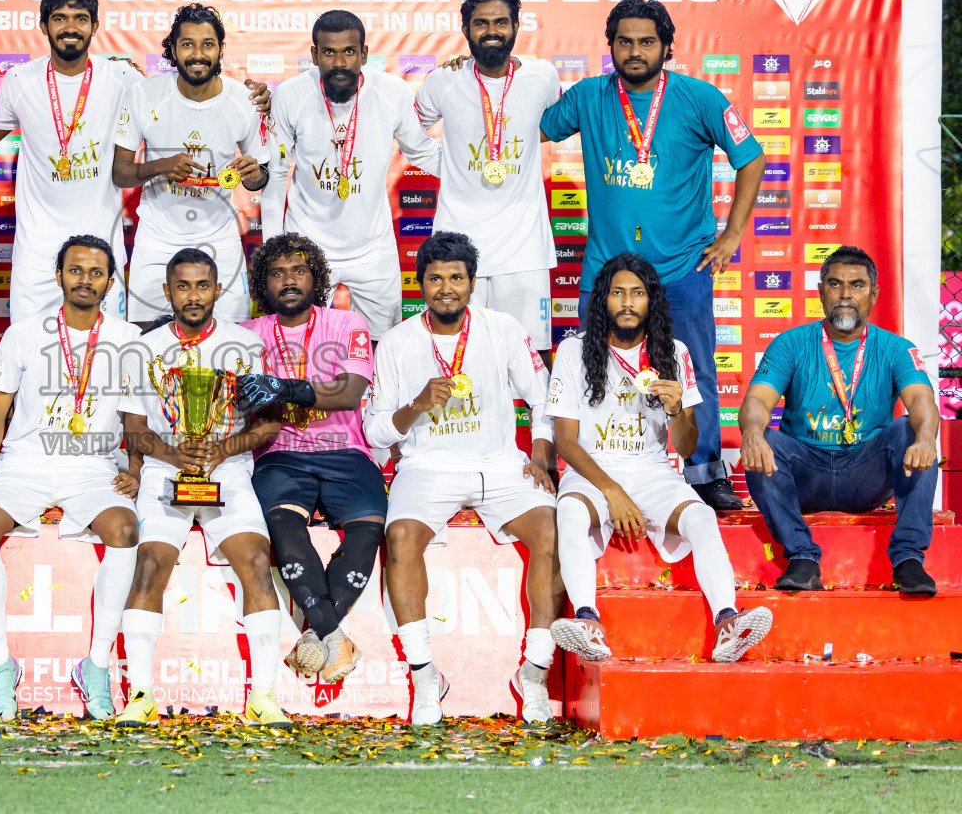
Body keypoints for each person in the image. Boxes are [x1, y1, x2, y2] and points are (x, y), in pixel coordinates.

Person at [540, 0, 767, 512]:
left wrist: (731, 235)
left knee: (694, 371)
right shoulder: (589, 97)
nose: (635, 51)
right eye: (625, 41)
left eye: (646, 41)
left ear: (667, 46)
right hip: (606, 273)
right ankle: (593, 473)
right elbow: (530, 128)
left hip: (681, 267)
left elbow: (751, 159)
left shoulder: (700, 98)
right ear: (611, 46)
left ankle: (705, 473)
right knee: (590, 371)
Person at [365, 232, 562, 725]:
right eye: (435, 279)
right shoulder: (397, 342)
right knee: (401, 537)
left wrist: (539, 452)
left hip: (499, 463)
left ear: (473, 283)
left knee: (552, 532)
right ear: (421, 285)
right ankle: (426, 674)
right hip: (426, 467)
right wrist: (415, 406)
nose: (446, 288)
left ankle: (534, 674)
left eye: (456, 278)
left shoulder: (502, 328)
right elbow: (373, 430)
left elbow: (544, 399)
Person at [546, 254, 772, 664]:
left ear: (652, 301)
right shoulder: (573, 351)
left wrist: (676, 410)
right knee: (572, 515)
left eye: (637, 294)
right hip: (593, 469)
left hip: (652, 470)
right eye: (618, 293)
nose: (628, 303)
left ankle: (727, 622)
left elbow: (686, 448)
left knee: (701, 517)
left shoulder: (674, 352)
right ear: (603, 300)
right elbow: (565, 440)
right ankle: (587, 622)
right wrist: (611, 490)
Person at [0, 235, 143, 721]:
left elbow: (134, 419)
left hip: (93, 466)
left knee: (125, 530)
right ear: (59, 275)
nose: (86, 280)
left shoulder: (127, 339)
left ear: (110, 281)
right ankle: (0, 663)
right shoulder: (23, 333)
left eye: (96, 272)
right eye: (76, 270)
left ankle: (97, 665)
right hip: (25, 462)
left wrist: (137, 470)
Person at [114, 248, 290, 728]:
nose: (193, 296)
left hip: (227, 469)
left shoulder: (245, 347)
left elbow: (269, 424)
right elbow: (134, 429)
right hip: (162, 469)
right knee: (148, 564)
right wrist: (177, 455)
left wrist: (222, 449)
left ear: (218, 289)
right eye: (183, 286)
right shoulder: (142, 350)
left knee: (256, 561)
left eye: (203, 285)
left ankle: (264, 698)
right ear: (168, 292)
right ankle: (142, 694)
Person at [740, 245, 940, 596]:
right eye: (835, 284)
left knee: (913, 429)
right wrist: (753, 433)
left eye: (857, 285)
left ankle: (908, 559)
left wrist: (925, 438)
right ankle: (802, 557)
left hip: (865, 472)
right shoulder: (791, 343)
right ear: (820, 291)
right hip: (805, 472)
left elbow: (922, 401)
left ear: (873, 294)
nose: (845, 294)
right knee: (761, 440)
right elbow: (757, 399)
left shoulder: (896, 348)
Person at [234, 233, 383, 684]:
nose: (289, 280)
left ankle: (315, 637)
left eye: (299, 270)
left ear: (315, 277)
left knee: (369, 529)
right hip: (281, 452)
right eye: (277, 273)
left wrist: (288, 388)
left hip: (345, 449)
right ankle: (334, 637)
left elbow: (352, 392)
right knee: (283, 526)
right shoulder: (245, 335)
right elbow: (242, 403)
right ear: (264, 284)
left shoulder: (348, 323)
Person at [261, 11, 439, 340]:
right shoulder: (291, 95)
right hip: (306, 245)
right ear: (314, 55)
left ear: (365, 54)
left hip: (373, 247)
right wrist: (275, 248)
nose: (340, 63)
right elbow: (275, 173)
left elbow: (423, 151)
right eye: (329, 52)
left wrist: (472, 170)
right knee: (302, 344)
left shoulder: (392, 92)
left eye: (349, 52)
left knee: (383, 345)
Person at [414, 0, 561, 358]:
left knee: (533, 356)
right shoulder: (442, 81)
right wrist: (447, 166)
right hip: (459, 245)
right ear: (466, 30)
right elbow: (410, 133)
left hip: (524, 246)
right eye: (480, 23)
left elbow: (554, 124)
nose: (491, 30)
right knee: (460, 354)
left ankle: (539, 420)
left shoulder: (543, 76)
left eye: (500, 22)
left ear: (515, 26)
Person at [0, 0, 142, 323]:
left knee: (105, 360)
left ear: (95, 26)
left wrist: (253, 97)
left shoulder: (122, 79)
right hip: (36, 254)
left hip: (101, 253)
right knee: (28, 355)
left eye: (80, 18)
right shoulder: (20, 80)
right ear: (43, 25)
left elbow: (173, 105)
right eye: (59, 18)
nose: (70, 28)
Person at [113, 5, 269, 327]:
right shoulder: (144, 94)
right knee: (144, 339)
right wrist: (158, 167)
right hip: (157, 237)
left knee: (231, 338)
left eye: (207, 44)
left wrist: (254, 177)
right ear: (172, 48)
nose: (198, 54)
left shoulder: (245, 101)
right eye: (187, 44)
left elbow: (260, 178)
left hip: (220, 237)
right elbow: (120, 172)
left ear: (221, 49)